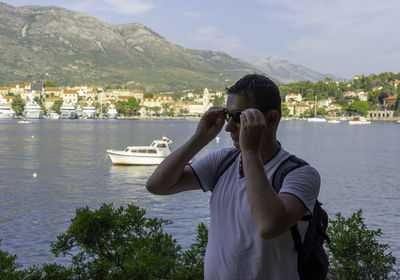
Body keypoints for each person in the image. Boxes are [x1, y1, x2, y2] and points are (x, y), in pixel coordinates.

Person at [146, 74, 320, 279]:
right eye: (229, 116)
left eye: (240, 118)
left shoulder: (300, 174)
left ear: (271, 119)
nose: (228, 127)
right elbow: (157, 185)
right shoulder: (223, 161)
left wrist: (249, 152)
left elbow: (268, 225)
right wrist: (200, 138)